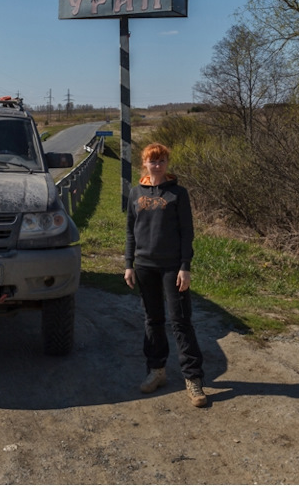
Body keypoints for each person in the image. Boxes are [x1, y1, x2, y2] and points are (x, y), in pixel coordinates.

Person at [124, 142, 209, 406]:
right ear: (145, 163)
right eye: (153, 160)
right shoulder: (135, 193)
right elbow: (129, 231)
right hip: (144, 265)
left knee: (180, 321)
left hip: (172, 266)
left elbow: (187, 233)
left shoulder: (178, 194)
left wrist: (186, 267)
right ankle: (157, 371)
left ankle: (193, 379)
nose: (157, 165)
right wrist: (128, 263)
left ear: (167, 164)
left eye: (161, 160)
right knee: (153, 320)